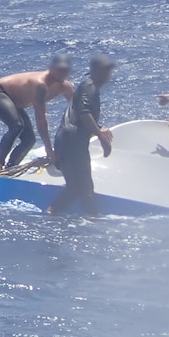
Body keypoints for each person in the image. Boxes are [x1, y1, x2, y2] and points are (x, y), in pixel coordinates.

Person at [47, 54, 115, 216]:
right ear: (94, 71)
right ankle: (92, 220)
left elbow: (79, 112)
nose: (107, 74)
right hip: (73, 142)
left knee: (76, 187)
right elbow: (84, 113)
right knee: (85, 188)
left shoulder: (86, 87)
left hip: (66, 140)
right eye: (104, 70)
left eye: (109, 70)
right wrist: (101, 137)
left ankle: (52, 212)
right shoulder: (89, 87)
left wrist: (98, 127)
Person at [0, 55, 74, 173]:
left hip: (15, 103)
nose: (62, 73)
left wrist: (98, 128)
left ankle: (9, 170)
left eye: (65, 70)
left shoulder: (66, 86)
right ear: (51, 68)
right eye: (59, 70)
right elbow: (41, 118)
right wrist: (49, 149)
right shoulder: (40, 84)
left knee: (29, 140)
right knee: (17, 126)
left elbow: (79, 109)